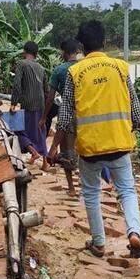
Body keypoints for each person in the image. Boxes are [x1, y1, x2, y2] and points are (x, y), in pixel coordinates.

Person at [47, 20, 140, 259]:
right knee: (127, 191)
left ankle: (99, 243)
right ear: (105, 41)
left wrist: (53, 148)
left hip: (90, 148)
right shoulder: (120, 67)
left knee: (91, 194)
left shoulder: (74, 72)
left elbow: (66, 117)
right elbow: (135, 108)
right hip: (119, 143)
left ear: (81, 45)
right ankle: (134, 233)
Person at [39, 39, 81, 195]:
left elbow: (50, 97)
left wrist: (44, 117)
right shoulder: (84, 67)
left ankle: (71, 187)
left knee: (67, 150)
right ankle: (88, 184)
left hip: (68, 112)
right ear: (77, 51)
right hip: (86, 112)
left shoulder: (59, 70)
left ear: (63, 52)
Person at [11, 41, 48, 168]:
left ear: (24, 52)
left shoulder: (21, 64)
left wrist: (13, 102)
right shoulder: (41, 68)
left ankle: (33, 152)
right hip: (41, 103)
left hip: (28, 103)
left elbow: (17, 85)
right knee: (40, 130)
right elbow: (46, 89)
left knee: (18, 129)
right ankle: (45, 162)